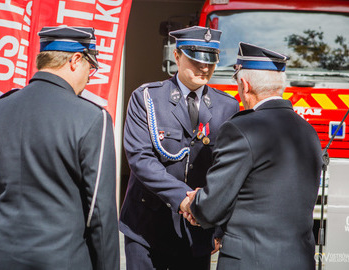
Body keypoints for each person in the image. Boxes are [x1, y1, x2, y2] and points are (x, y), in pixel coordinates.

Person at [0, 26, 119, 270]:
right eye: (90, 68)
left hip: (3, 260)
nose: (88, 77)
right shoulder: (92, 118)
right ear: (75, 60)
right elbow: (100, 213)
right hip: (64, 261)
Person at [183, 42, 322, 269]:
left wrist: (194, 201)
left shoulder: (241, 129)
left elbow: (211, 207)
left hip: (250, 260)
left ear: (245, 85)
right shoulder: (307, 130)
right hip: (300, 260)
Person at [119, 26, 239, 269]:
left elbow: (228, 172)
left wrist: (219, 225)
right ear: (176, 56)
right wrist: (182, 200)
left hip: (198, 229)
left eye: (210, 61)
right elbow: (140, 158)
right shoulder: (147, 98)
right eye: (196, 60)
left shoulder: (228, 107)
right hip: (147, 227)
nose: (204, 68)